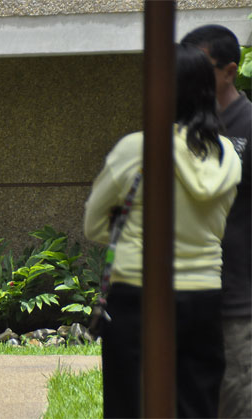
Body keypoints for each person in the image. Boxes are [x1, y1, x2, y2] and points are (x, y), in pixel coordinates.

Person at [84, 44, 242, 418]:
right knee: (198, 406)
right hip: (204, 295)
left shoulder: (135, 149)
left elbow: (93, 223)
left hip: (138, 294)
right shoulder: (227, 154)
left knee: (129, 405)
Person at [182, 24, 252, 419]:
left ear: (229, 70)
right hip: (187, 301)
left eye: (200, 65)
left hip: (237, 303)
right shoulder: (183, 129)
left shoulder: (249, 125)